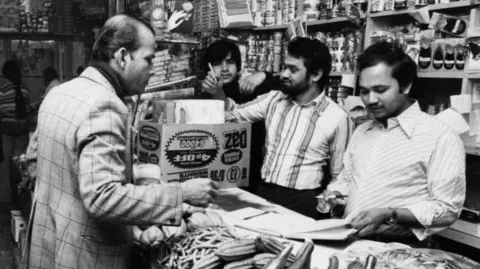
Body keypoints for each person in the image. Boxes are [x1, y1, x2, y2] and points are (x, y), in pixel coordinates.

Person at [24, 14, 219, 269]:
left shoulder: (59, 93)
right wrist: (181, 193)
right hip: (85, 257)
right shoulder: (105, 105)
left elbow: (33, 163)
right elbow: (102, 197)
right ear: (123, 56)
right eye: (149, 59)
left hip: (47, 246)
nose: (151, 69)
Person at [316, 41, 466, 245]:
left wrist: (390, 214)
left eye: (380, 89)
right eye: (364, 91)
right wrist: (335, 196)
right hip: (352, 242)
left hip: (403, 250)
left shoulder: (440, 136)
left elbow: (448, 210)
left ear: (406, 85)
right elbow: (347, 179)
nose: (370, 100)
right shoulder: (362, 131)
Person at [223, 37, 353, 219]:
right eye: (285, 67)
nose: (284, 74)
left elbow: (340, 175)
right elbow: (232, 115)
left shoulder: (338, 117)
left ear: (315, 74)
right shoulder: (274, 100)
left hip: (304, 203)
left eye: (293, 70)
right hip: (264, 194)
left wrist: (330, 199)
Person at [201, 39, 282, 192]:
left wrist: (264, 75)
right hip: (214, 174)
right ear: (209, 67)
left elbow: (285, 90)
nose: (225, 69)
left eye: (230, 62)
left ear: (238, 65)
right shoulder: (203, 96)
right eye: (218, 63)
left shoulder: (249, 87)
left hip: (251, 172)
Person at [0, 60, 31, 203]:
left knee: (5, 163)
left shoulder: (3, 88)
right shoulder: (24, 89)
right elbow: (27, 109)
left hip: (7, 131)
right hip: (22, 130)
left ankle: (6, 197)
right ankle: (22, 192)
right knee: (21, 163)